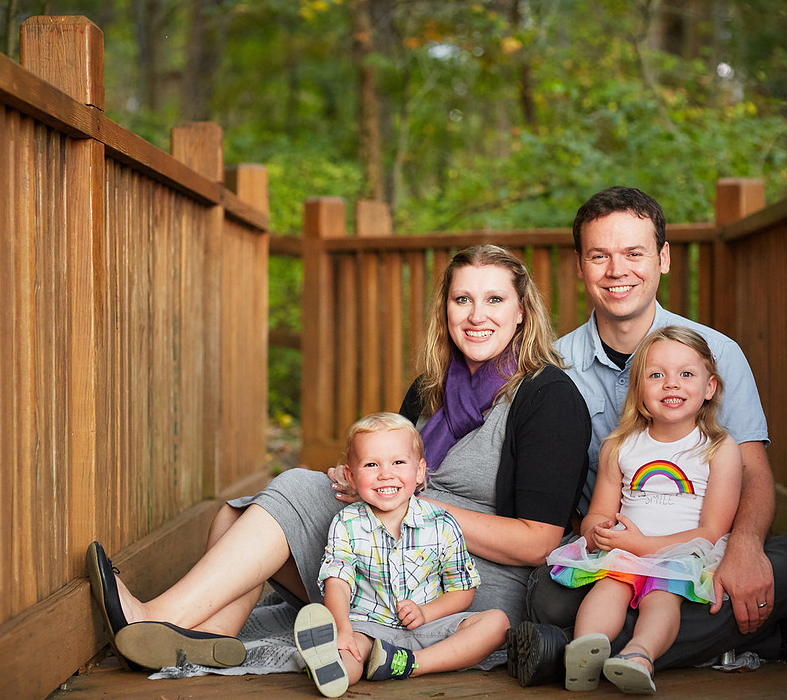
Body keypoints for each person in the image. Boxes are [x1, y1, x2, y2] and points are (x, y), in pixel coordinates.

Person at [87, 244, 591, 672]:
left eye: (494, 300)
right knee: (241, 511)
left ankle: (154, 618)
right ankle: (210, 636)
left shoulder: (549, 397)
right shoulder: (430, 389)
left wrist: (407, 499)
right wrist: (362, 481)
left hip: (463, 582)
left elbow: (536, 542)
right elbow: (391, 465)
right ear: (446, 310)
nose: (477, 315)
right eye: (463, 299)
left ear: (522, 309)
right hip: (389, 546)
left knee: (295, 491)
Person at [510, 186, 787, 686]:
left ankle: (574, 652)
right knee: (547, 597)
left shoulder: (717, 353)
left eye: (634, 253)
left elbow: (752, 470)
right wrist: (598, 536)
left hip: (699, 549)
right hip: (612, 560)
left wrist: (743, 547)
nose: (617, 271)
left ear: (663, 258)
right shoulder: (551, 368)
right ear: (580, 265)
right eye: (600, 255)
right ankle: (777, 638)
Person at [551, 326, 741, 694]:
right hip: (625, 550)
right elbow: (598, 512)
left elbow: (713, 531)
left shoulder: (719, 448)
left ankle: (639, 655)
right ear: (639, 390)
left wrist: (644, 546)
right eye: (656, 375)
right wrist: (597, 530)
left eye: (686, 374)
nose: (672, 384)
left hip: (682, 553)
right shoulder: (620, 445)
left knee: (661, 597)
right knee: (608, 587)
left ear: (710, 387)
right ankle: (584, 650)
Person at [292, 412, 509, 698]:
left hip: (428, 629)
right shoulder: (347, 523)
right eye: (371, 464)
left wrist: (425, 612)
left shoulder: (442, 523)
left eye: (398, 462)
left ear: (419, 471)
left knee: (497, 623)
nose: (385, 473)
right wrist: (342, 629)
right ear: (350, 476)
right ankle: (334, 667)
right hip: (369, 628)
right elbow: (338, 580)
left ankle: (411, 665)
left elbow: (462, 590)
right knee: (352, 647)